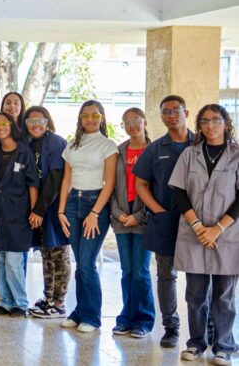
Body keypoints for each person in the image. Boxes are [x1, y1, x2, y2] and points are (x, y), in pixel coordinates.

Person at [169, 104, 239, 364]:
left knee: (225, 296)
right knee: (195, 294)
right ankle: (196, 343)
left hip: (228, 235)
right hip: (194, 233)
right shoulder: (190, 154)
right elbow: (179, 192)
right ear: (199, 125)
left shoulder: (237, 154)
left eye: (216, 120)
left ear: (225, 122)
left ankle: (223, 346)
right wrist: (199, 227)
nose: (211, 125)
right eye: (205, 121)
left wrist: (217, 228)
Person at [133, 95, 196, 348]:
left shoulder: (200, 144)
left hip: (197, 222)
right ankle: (171, 328)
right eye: (166, 112)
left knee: (199, 276)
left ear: (186, 112)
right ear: (160, 117)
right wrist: (158, 210)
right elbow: (141, 184)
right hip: (165, 220)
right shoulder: (155, 149)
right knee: (166, 275)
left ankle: (205, 329)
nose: (171, 116)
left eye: (175, 111)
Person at [58, 100, 118, 333]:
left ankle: (92, 317)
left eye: (95, 115)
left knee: (87, 263)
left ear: (102, 118)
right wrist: (61, 210)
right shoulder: (72, 145)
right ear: (80, 119)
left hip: (96, 203)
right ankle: (79, 312)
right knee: (79, 263)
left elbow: (110, 183)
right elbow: (66, 180)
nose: (90, 119)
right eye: (85, 116)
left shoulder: (108, 145)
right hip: (73, 203)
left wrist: (95, 213)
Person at [0, 113, 39, 318]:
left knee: (14, 261)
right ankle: (6, 301)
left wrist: (35, 211)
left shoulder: (23, 151)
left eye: (4, 123)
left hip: (19, 213)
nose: (0, 127)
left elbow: (33, 183)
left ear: (12, 126)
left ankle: (21, 302)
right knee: (0, 258)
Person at [110, 107, 155, 338]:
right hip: (120, 218)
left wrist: (138, 216)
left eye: (136, 121)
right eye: (127, 122)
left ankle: (144, 320)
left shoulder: (154, 150)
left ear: (145, 122)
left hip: (143, 220)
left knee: (141, 271)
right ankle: (126, 318)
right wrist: (118, 213)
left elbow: (157, 189)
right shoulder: (118, 152)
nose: (132, 126)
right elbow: (110, 186)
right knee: (126, 271)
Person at [23, 106, 70, 320]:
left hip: (54, 207)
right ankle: (48, 298)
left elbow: (55, 178)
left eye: (39, 120)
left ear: (47, 122)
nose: (35, 125)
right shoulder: (28, 145)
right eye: (30, 121)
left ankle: (59, 302)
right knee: (46, 254)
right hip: (38, 207)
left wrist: (40, 209)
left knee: (59, 253)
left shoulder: (56, 142)